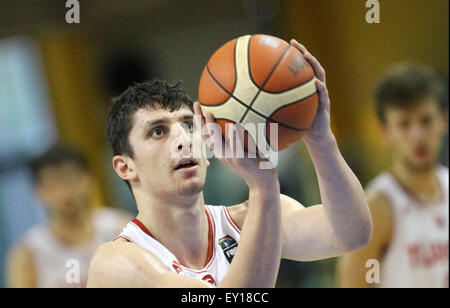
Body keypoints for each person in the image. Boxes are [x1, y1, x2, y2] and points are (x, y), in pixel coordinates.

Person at [87, 40, 372, 288]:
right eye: (158, 131)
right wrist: (263, 189)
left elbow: (351, 234)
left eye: (189, 125)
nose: (182, 139)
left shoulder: (247, 220)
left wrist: (320, 140)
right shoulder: (117, 263)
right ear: (126, 167)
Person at [337, 64, 448, 288]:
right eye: (404, 125)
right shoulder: (377, 209)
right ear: (385, 132)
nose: (418, 136)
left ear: (443, 121)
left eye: (426, 121)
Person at [6, 143, 131, 288]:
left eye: (71, 179)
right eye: (54, 183)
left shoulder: (121, 229)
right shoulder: (28, 255)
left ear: (89, 179)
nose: (65, 192)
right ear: (38, 192)